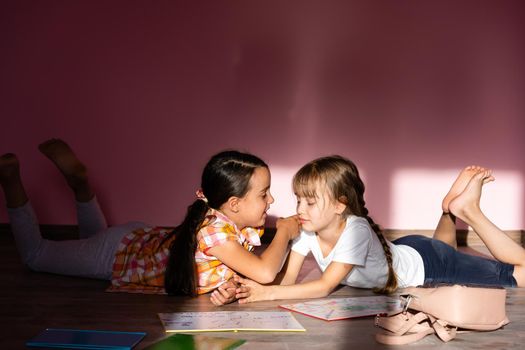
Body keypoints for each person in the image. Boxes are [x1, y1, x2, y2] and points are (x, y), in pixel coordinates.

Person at [0, 139, 299, 305]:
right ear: (234, 204)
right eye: (264, 194)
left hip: (129, 239)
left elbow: (246, 266)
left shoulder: (223, 222)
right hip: (116, 255)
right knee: (35, 256)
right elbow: (264, 271)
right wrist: (284, 231)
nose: (271, 201)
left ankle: (80, 184)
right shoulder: (215, 232)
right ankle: (11, 180)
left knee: (95, 238)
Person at [233, 156, 525, 303]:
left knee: (519, 272)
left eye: (310, 202)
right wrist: (257, 289)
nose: (300, 209)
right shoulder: (308, 229)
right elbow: (288, 284)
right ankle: (448, 209)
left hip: (428, 266)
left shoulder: (355, 230)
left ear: (339, 205)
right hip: (414, 250)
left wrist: (266, 295)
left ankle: (468, 212)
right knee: (443, 251)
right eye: (298, 200)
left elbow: (323, 287)